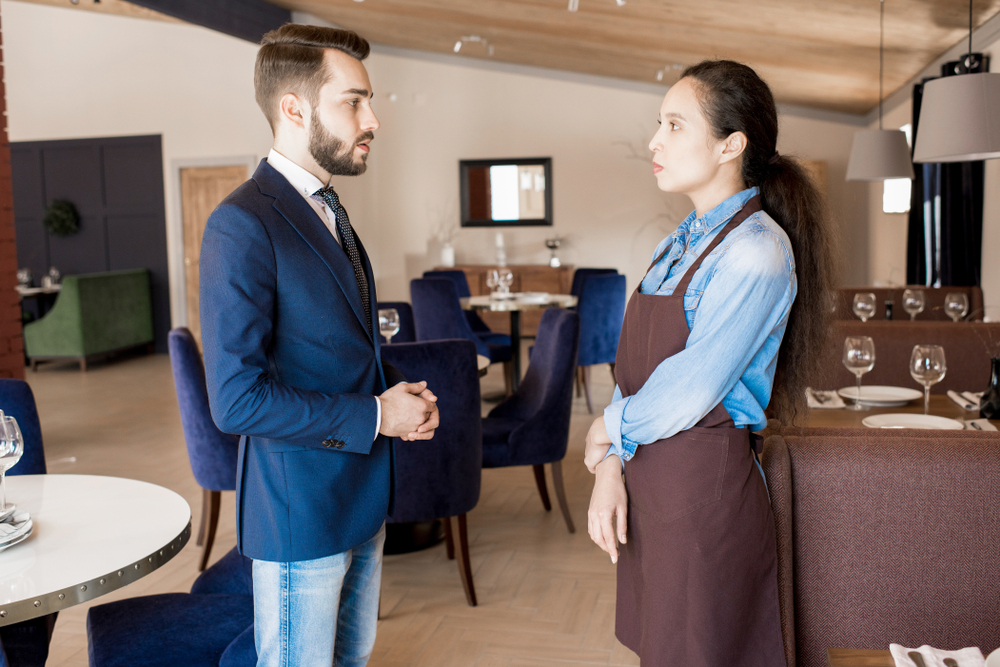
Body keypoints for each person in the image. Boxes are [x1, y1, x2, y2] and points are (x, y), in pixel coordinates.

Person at [200, 24, 440, 667]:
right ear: (294, 107)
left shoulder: (326, 207)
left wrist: (395, 397)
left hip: (359, 498)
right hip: (298, 514)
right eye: (354, 101)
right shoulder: (242, 223)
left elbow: (336, 347)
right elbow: (235, 401)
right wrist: (376, 416)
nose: (373, 120)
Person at [584, 60, 835, 666]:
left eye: (674, 124)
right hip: (651, 482)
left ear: (731, 145)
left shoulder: (758, 253)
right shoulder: (678, 242)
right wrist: (611, 469)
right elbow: (637, 377)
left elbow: (688, 389)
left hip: (704, 496)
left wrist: (606, 429)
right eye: (659, 123)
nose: (655, 140)